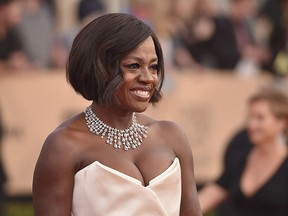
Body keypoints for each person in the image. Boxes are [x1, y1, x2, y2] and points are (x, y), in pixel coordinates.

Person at [33, 13, 202, 216]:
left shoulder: (173, 136)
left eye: (154, 67)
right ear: (100, 68)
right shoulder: (64, 146)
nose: (148, 78)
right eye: (133, 66)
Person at [199, 87, 288, 216]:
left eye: (260, 118)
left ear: (281, 122)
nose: (252, 125)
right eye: (250, 117)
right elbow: (205, 198)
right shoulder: (240, 157)